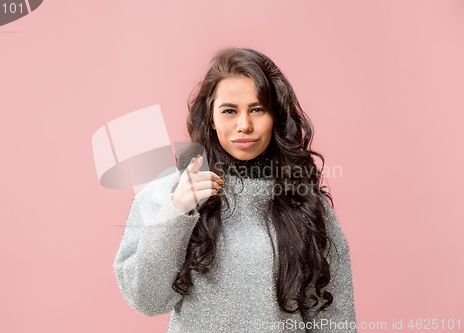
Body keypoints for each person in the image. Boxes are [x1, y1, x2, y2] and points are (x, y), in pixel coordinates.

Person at [113, 47, 357, 332]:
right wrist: (176, 211)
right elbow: (148, 300)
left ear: (276, 116)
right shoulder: (168, 193)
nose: (245, 125)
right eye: (229, 111)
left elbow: (335, 315)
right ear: (211, 118)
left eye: (257, 109)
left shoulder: (303, 201)